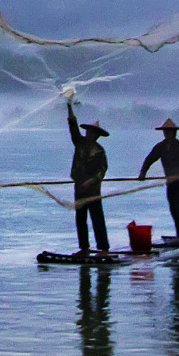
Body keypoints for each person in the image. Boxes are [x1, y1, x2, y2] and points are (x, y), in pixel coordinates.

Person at [65, 94, 111, 254]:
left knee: (97, 218)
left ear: (97, 136)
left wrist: (91, 181)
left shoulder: (100, 152)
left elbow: (102, 171)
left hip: (93, 191)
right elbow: (72, 125)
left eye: (92, 133)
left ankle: (103, 248)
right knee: (80, 219)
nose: (89, 135)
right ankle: (84, 248)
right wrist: (69, 105)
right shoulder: (80, 143)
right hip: (79, 188)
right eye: (89, 132)